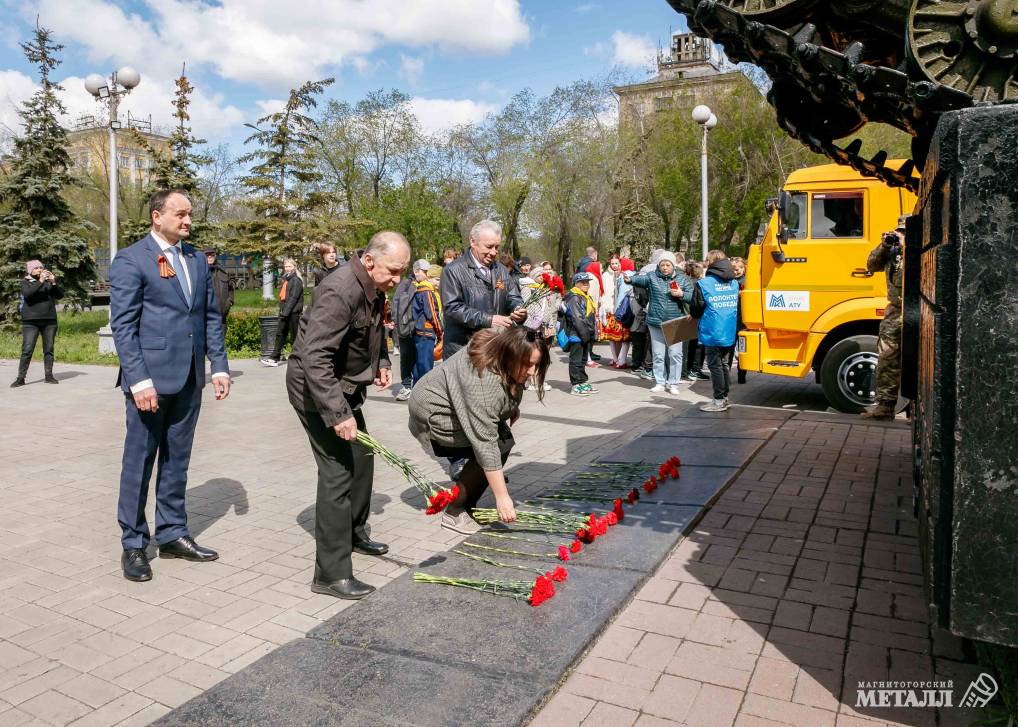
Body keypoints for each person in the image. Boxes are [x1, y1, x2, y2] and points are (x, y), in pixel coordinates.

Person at [109, 189, 230, 582]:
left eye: (190, 214)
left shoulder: (195, 259)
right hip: (150, 382)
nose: (188, 221)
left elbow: (210, 316)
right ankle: (133, 543)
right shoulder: (131, 259)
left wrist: (219, 367)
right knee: (139, 462)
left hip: (190, 378)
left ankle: (173, 532)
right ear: (156, 216)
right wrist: (138, 379)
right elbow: (123, 326)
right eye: (180, 214)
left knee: (177, 460)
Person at [285, 231, 410, 600]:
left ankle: (354, 533)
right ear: (370, 261)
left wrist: (383, 360)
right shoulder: (340, 289)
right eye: (394, 271)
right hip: (316, 392)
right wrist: (338, 414)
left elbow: (372, 332)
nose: (398, 279)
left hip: (345, 387)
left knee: (362, 456)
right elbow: (315, 358)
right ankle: (331, 572)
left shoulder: (372, 284)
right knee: (337, 472)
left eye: (402, 271)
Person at [408, 326, 550, 534]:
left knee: (501, 442)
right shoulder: (484, 382)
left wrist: (509, 406)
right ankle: (455, 512)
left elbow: (502, 394)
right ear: (510, 356)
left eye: (536, 365)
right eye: (527, 364)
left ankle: (467, 504)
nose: (532, 372)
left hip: (457, 404)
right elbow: (485, 443)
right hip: (434, 414)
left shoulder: (502, 351)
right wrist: (502, 497)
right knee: (496, 445)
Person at [440, 220, 526, 360]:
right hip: (464, 350)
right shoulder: (453, 271)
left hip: (496, 348)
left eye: (497, 247)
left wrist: (518, 309)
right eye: (489, 246)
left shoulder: (501, 270)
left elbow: (513, 296)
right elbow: (453, 308)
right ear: (473, 242)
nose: (493, 252)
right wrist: (488, 319)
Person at [625, 251, 694, 395]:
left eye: (668, 265)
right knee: (658, 354)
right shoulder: (652, 277)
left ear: (673, 265)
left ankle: (673, 383)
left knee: (675, 354)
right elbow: (640, 280)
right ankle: (660, 382)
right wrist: (629, 280)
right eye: (662, 265)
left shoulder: (682, 279)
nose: (665, 267)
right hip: (655, 322)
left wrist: (681, 294)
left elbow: (692, 296)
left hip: (675, 322)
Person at [861, 216, 906, 420]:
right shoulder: (892, 251)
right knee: (887, 357)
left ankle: (915, 408)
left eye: (905, 232)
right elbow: (871, 264)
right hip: (895, 309)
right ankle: (885, 407)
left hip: (917, 309)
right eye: (899, 232)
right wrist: (884, 246)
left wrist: (907, 247)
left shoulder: (919, 249)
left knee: (918, 360)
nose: (900, 236)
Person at [691, 250, 740, 412]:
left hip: (712, 330)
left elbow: (696, 309)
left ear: (711, 262)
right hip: (729, 328)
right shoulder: (734, 283)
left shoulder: (704, 283)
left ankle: (718, 400)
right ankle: (725, 397)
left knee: (715, 365)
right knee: (724, 364)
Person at [11, 260, 62, 387]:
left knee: (49, 349)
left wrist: (53, 282)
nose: (40, 269)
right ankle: (21, 378)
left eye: (41, 267)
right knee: (27, 349)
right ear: (30, 270)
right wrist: (40, 281)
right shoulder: (25, 282)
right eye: (37, 268)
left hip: (49, 321)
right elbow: (28, 294)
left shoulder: (47, 283)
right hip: (30, 322)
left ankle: (49, 376)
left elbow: (60, 296)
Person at [520, 270, 562, 392]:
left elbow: (549, 307)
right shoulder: (528, 288)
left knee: (539, 355)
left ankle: (537, 380)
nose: (541, 277)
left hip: (542, 326)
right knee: (531, 354)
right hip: (531, 326)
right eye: (538, 275)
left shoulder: (544, 289)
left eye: (542, 275)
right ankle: (532, 381)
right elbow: (528, 305)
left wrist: (548, 323)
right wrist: (536, 320)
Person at [261, 258, 304, 367]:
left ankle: (299, 359)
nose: (287, 268)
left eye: (290, 266)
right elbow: (284, 297)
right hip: (286, 312)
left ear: (294, 267)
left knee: (295, 336)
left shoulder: (296, 281)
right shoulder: (287, 280)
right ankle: (274, 358)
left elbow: (293, 298)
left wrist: (285, 312)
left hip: (293, 313)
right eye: (286, 266)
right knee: (280, 334)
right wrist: (283, 311)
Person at [563, 271, 598, 396]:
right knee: (576, 360)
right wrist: (585, 335)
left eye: (587, 282)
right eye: (582, 282)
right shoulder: (574, 297)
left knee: (583, 360)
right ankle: (576, 384)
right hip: (576, 335)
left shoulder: (584, 296)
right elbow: (577, 318)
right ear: (576, 283)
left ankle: (582, 381)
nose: (586, 284)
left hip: (584, 334)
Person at [392, 263, 422, 401]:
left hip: (419, 328)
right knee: (406, 357)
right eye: (424, 271)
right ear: (416, 271)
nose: (426, 274)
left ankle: (416, 386)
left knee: (418, 357)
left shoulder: (426, 285)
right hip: (406, 327)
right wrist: (397, 323)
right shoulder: (406, 284)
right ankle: (406, 386)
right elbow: (397, 304)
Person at [411, 260, 443, 384]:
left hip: (419, 331)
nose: (439, 283)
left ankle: (416, 391)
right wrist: (440, 331)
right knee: (425, 365)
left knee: (419, 364)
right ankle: (424, 393)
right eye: (437, 280)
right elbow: (432, 314)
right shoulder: (427, 291)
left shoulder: (419, 288)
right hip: (426, 331)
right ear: (430, 278)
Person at [601, 255, 631, 368]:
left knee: (623, 335)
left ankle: (620, 359)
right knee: (612, 336)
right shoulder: (605, 275)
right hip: (610, 308)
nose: (614, 265)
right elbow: (603, 291)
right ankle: (615, 358)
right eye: (612, 263)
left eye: (616, 263)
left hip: (621, 309)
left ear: (620, 264)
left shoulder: (624, 275)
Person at [683, 261, 708, 381]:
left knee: (691, 345)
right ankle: (695, 369)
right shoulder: (700, 284)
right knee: (699, 345)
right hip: (698, 317)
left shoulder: (686, 283)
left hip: (688, 316)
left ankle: (688, 369)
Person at [203, 248, 233, 325]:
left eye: (212, 255)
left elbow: (230, 289)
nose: (209, 257)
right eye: (207, 255)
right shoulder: (199, 272)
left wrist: (229, 302)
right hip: (204, 319)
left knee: (221, 337)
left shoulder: (223, 271)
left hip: (222, 317)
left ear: (215, 256)